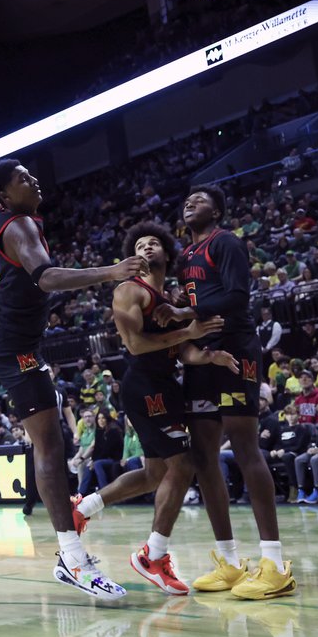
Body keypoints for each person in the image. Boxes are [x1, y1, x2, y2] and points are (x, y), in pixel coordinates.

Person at [0, 158, 146, 600]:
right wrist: (111, 272)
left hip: (7, 330)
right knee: (51, 444)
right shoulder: (18, 226)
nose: (34, 179)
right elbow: (47, 279)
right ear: (5, 196)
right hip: (15, 346)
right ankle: (71, 559)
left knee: (50, 427)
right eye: (23, 178)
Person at [71, 222, 235, 594]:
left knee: (153, 474)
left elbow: (182, 350)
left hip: (164, 383)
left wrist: (208, 354)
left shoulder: (172, 297)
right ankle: (153, 555)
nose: (146, 247)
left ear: (167, 254)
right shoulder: (129, 290)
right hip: (145, 385)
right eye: (139, 244)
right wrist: (188, 332)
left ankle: (82, 509)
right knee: (185, 464)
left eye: (153, 243)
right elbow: (136, 346)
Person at [158, 185, 295, 599]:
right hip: (202, 355)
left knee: (245, 446)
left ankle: (274, 563)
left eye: (198, 200)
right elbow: (201, 296)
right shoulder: (185, 257)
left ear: (215, 210)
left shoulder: (227, 242)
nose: (189, 203)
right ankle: (231, 561)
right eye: (187, 199)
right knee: (202, 456)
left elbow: (238, 296)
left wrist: (186, 310)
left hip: (235, 347)